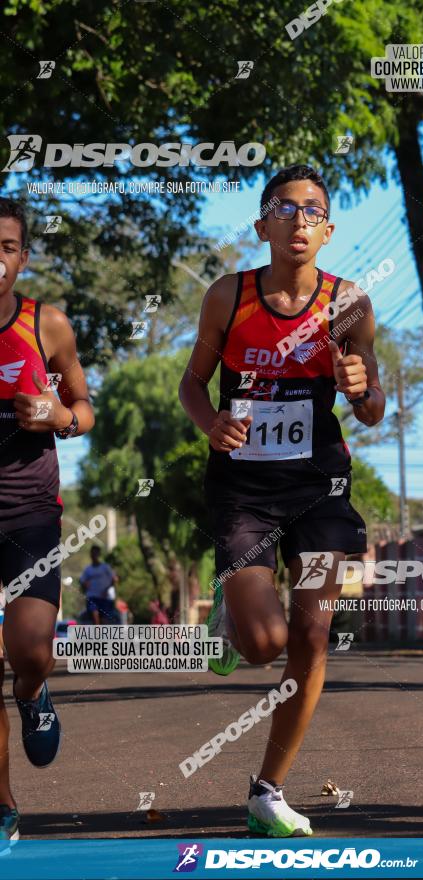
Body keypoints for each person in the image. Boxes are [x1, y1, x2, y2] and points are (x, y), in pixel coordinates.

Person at [179, 165, 385, 837]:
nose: (298, 219)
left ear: (327, 230)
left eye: (312, 210)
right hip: (243, 488)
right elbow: (192, 384)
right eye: (284, 207)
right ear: (262, 224)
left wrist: (359, 387)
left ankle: (268, 790)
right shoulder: (227, 296)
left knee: (312, 633)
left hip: (320, 488)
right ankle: (235, 623)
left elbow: (373, 407)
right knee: (265, 644)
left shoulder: (348, 303)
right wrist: (211, 424)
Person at [0, 198, 94, 844]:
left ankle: (33, 693)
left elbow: (85, 407)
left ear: (22, 257)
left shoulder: (47, 325)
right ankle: (2, 799)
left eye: (5, 245)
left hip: (30, 513)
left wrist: (58, 418)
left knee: (30, 651)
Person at [79, 545, 118, 625]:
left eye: (96, 554)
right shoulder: (88, 569)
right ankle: (97, 635)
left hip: (104, 598)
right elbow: (82, 581)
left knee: (104, 620)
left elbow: (115, 579)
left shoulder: (105, 567)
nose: (94, 556)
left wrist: (107, 589)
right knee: (95, 616)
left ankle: (104, 635)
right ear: (91, 555)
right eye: (93, 554)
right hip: (92, 597)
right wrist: (85, 586)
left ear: (99, 554)